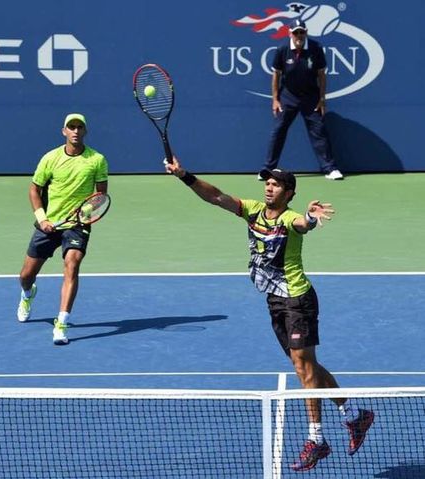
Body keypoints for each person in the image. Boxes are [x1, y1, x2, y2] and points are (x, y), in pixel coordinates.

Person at [165, 159, 373, 471]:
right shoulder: (252, 210)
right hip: (275, 301)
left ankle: (316, 440)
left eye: (275, 184)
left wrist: (310, 217)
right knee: (307, 366)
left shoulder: (290, 218)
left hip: (297, 300)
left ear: (288, 193)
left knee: (304, 370)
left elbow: (303, 224)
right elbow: (215, 196)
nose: (268, 187)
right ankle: (356, 416)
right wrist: (184, 175)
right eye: (267, 182)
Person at [17, 113, 108, 345]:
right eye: (71, 127)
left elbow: (100, 196)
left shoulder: (97, 159)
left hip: (77, 226)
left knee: (72, 265)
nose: (76, 131)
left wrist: (86, 216)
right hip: (49, 223)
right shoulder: (50, 158)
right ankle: (28, 293)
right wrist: (42, 218)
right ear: (64, 131)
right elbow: (34, 190)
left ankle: (62, 323)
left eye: (80, 127)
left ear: (85, 131)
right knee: (26, 276)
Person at [261, 19, 343, 181]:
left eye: (302, 32)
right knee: (278, 131)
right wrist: (275, 99)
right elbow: (276, 75)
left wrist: (321, 99)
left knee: (318, 131)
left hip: (311, 97)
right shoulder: (282, 50)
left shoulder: (316, 48)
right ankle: (268, 169)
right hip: (287, 97)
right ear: (289, 33)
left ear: (306, 32)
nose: (299, 35)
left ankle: (330, 168)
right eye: (295, 32)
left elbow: (321, 74)